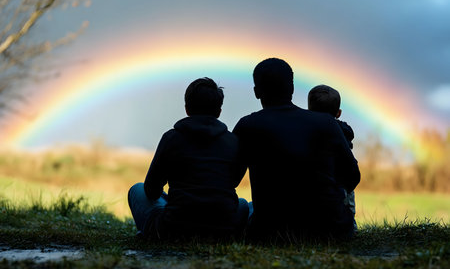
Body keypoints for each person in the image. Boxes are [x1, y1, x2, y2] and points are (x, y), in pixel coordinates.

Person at [233, 58, 360, 240]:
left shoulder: (247, 126)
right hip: (331, 229)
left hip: (270, 231)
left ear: (256, 92)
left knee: (247, 206)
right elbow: (352, 176)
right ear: (292, 88)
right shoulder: (327, 123)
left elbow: (232, 178)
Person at [128, 77, 248, 239]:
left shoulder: (171, 138)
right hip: (224, 230)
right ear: (219, 111)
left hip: (174, 229)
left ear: (187, 109)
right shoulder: (233, 142)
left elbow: (151, 190)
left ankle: (150, 231)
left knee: (137, 190)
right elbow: (233, 182)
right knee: (242, 204)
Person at [308, 84, 357, 231]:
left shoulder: (307, 131)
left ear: (309, 110)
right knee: (348, 202)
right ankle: (351, 227)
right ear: (338, 113)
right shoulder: (343, 131)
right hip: (342, 181)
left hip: (322, 181)